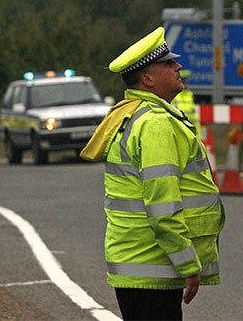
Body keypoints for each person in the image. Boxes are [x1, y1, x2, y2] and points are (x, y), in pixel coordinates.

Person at [85, 26, 225, 320]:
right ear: (147, 79)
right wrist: (188, 264)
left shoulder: (135, 115)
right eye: (168, 64)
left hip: (142, 264)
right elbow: (163, 207)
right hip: (152, 266)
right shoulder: (155, 125)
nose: (178, 66)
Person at [172, 69, 201, 140]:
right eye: (181, 81)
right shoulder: (173, 95)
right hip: (177, 133)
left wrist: (199, 136)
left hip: (190, 133)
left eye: (184, 82)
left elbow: (194, 118)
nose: (183, 84)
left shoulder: (189, 94)